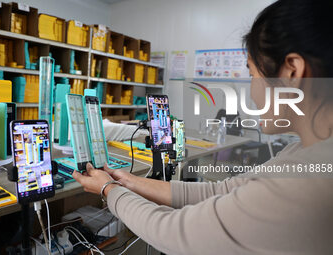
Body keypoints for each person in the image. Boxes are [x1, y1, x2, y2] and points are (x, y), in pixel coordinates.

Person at [73, 0, 333, 254]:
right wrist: (130, 182)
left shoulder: (306, 181)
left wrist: (108, 190)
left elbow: (173, 232)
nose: (252, 92)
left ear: (292, 71)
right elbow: (222, 190)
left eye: (252, 74)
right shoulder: (303, 154)